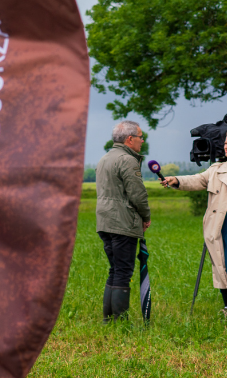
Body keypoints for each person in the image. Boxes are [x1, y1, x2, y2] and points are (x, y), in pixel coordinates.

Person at [160, 135, 227, 314]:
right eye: (225, 143)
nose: (226, 147)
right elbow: (198, 180)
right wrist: (177, 180)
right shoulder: (216, 170)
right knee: (221, 266)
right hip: (221, 226)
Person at [95, 121, 151, 322]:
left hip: (105, 222)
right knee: (123, 272)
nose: (142, 141)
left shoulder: (105, 158)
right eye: (140, 137)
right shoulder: (127, 160)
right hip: (122, 222)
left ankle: (109, 319)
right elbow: (138, 194)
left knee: (115, 270)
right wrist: (146, 216)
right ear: (129, 139)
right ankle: (119, 321)